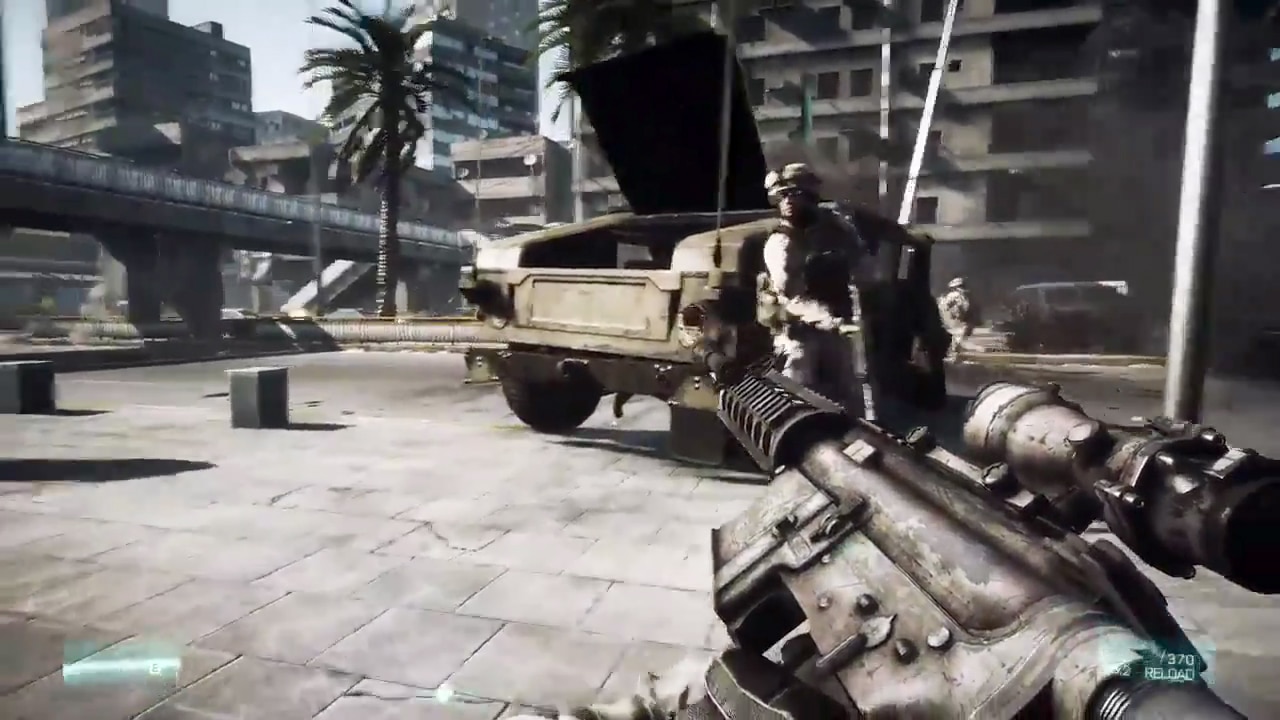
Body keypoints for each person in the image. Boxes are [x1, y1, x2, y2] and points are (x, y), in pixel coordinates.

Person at [758, 163, 866, 414]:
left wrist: (843, 229)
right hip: (799, 335)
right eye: (782, 196)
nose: (788, 201)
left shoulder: (830, 232)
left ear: (810, 197)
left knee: (846, 398)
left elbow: (860, 261)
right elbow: (791, 296)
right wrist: (833, 322)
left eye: (794, 194)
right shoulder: (781, 242)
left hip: (834, 330)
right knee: (796, 400)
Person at [938, 276, 975, 361]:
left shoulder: (963, 295)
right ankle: (954, 354)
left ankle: (955, 354)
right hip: (955, 320)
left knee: (960, 335)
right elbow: (944, 306)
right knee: (958, 336)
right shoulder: (954, 295)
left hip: (959, 320)